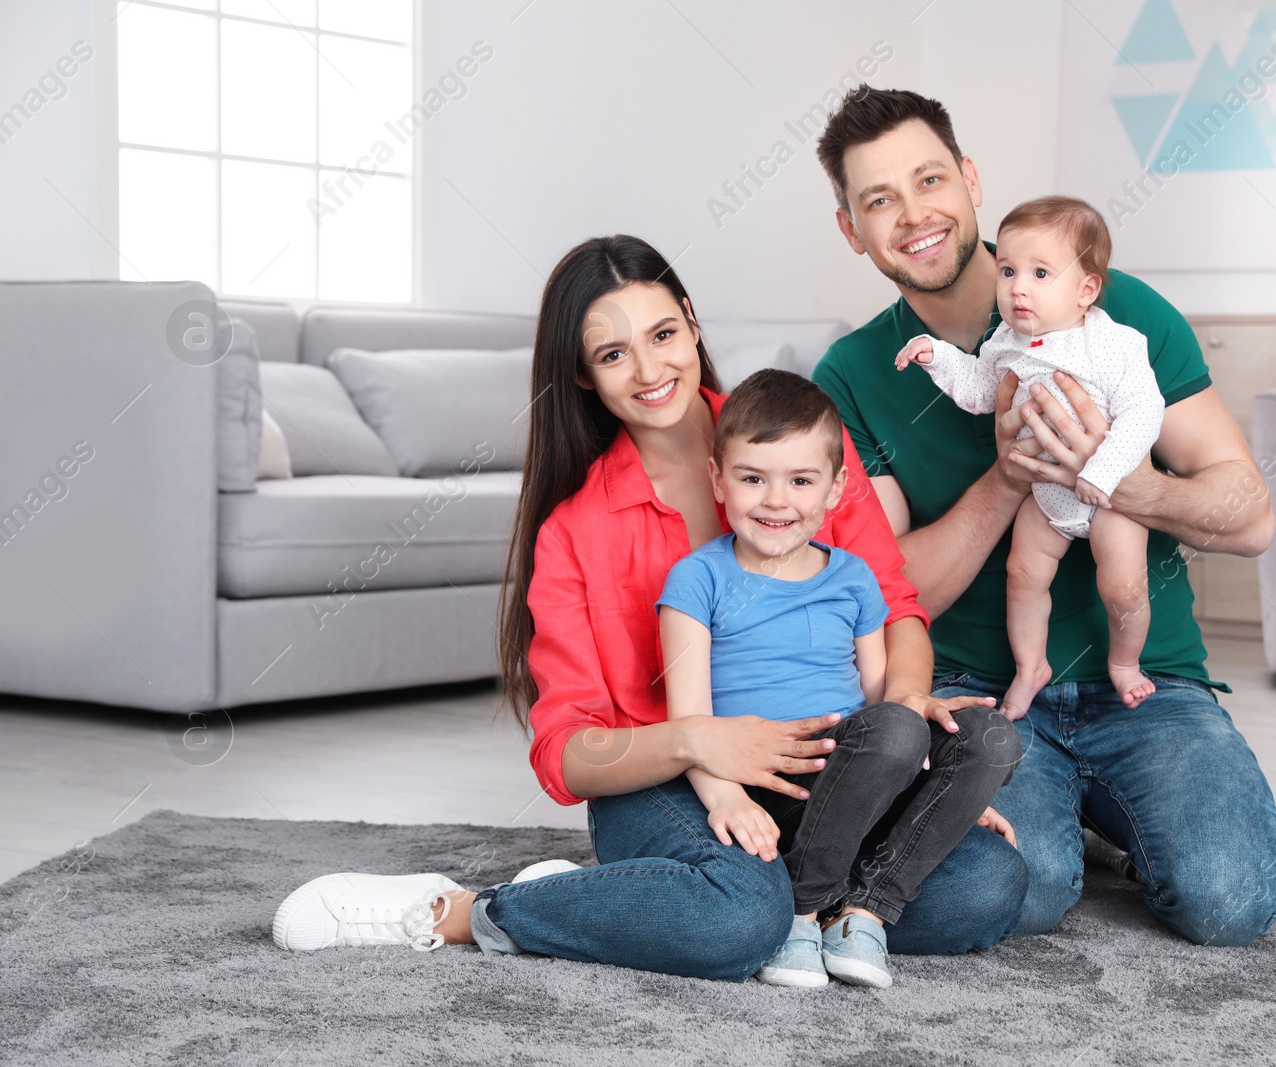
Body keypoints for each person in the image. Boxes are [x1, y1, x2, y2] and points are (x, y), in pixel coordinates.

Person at [270, 234, 1026, 979]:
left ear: (693, 322)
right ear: (583, 374)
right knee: (743, 915)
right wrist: (700, 743)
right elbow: (565, 752)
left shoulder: (797, 444)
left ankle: (664, 902)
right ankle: (468, 910)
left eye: (663, 333)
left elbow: (895, 607)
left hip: (824, 771)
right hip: (662, 786)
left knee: (985, 883)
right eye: (612, 353)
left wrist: (911, 766)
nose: (649, 368)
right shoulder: (576, 529)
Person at [810, 86, 1276, 946]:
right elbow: (880, 592)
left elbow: (1250, 518)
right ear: (851, 228)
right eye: (879, 200)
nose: (914, 215)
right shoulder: (849, 374)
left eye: (929, 180)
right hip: (979, 695)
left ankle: (1114, 810)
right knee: (1018, 896)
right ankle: (1076, 817)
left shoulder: (1117, 311)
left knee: (1227, 900)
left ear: (971, 179)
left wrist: (1108, 477)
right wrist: (1009, 476)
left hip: (1149, 683)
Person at [658, 368, 1018, 989]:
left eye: (801, 481)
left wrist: (952, 794)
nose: (777, 501)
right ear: (719, 479)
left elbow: (883, 700)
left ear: (835, 489)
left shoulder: (853, 578)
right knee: (898, 734)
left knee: (988, 736)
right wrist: (724, 796)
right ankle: (799, 910)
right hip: (773, 783)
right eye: (752, 478)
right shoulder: (698, 580)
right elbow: (688, 720)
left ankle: (866, 911)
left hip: (859, 777)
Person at [896, 195, 1164, 714]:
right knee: (1022, 576)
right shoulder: (1005, 342)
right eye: (1008, 271)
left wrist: (1105, 472)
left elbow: (1144, 412)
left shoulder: (1112, 345)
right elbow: (978, 391)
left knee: (1124, 583)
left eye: (1041, 273)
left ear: (1086, 290)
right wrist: (939, 356)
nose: (1018, 287)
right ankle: (1030, 666)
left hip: (1110, 497)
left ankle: (1126, 662)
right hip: (1044, 497)